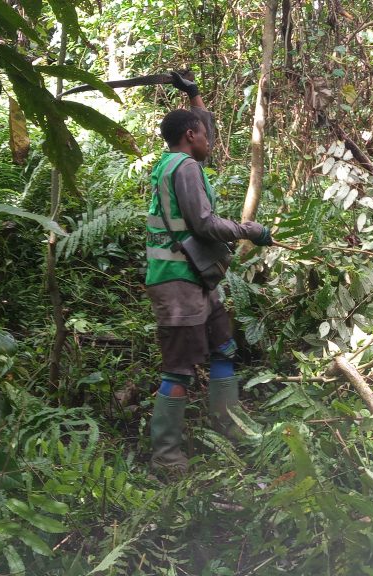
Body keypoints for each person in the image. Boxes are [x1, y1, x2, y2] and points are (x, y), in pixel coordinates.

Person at [145, 72, 273, 473]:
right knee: (179, 368)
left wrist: (193, 93)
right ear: (189, 136)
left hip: (195, 278)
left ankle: (231, 427)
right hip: (177, 280)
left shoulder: (180, 158)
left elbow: (206, 125)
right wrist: (248, 231)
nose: (210, 140)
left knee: (223, 346)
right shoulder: (183, 169)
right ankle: (167, 456)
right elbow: (203, 223)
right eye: (203, 134)